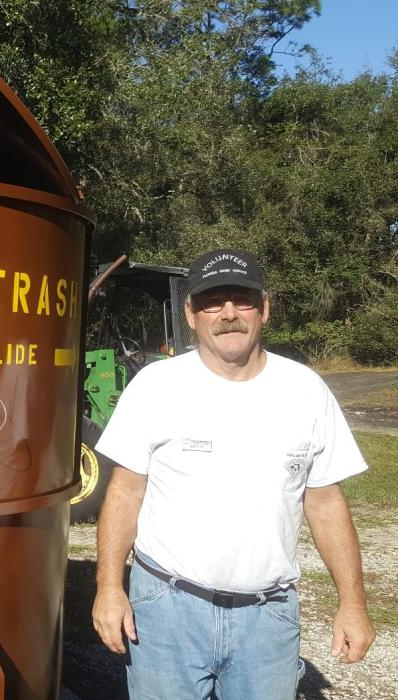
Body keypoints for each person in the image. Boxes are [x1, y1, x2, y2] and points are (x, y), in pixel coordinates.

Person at [91, 248, 375, 699]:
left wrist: (353, 604)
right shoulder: (155, 386)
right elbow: (125, 493)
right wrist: (108, 587)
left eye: (241, 300)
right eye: (211, 300)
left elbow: (324, 502)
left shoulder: (305, 390)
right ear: (190, 313)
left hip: (268, 618)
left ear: (264, 307)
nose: (227, 314)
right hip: (165, 610)